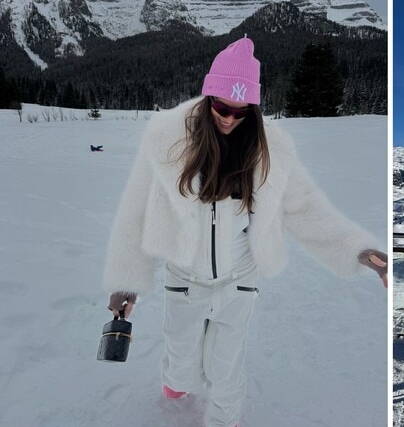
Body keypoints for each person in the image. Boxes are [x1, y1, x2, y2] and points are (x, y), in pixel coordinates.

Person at [102, 36, 387, 427]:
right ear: (208, 98)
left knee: (226, 367)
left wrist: (358, 250)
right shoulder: (167, 142)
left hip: (239, 280)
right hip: (184, 278)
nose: (229, 118)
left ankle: (224, 420)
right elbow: (136, 213)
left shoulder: (270, 150)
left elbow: (305, 207)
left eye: (241, 111)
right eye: (221, 107)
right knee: (181, 362)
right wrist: (125, 283)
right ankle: (176, 382)